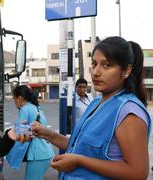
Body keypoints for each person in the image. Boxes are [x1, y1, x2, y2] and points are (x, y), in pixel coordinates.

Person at [31, 36, 151, 179]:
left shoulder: (128, 112)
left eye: (106, 65)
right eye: (94, 64)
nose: (96, 72)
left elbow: (138, 173)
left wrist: (79, 161)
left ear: (126, 71)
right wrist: (48, 134)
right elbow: (82, 146)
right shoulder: (96, 102)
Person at [6, 85, 54, 180]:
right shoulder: (37, 108)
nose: (14, 102)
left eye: (14, 99)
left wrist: (8, 152)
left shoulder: (24, 109)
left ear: (20, 99)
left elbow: (20, 134)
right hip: (47, 152)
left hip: (37, 154)